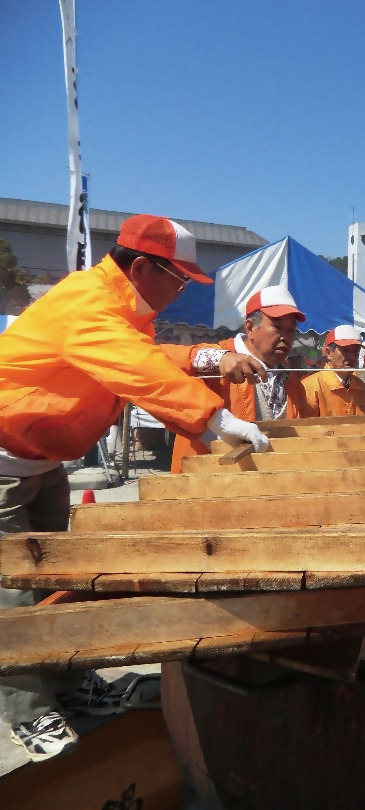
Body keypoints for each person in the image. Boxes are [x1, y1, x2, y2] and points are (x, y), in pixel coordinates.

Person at [0, 214, 269, 761]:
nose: (179, 291)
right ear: (142, 267)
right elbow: (135, 368)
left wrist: (210, 356)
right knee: (15, 596)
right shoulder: (87, 303)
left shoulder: (119, 308)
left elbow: (148, 354)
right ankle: (27, 713)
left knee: (58, 584)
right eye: (177, 279)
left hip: (43, 463)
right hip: (5, 466)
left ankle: (71, 685)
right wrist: (218, 420)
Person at [169, 285, 307, 473]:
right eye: (277, 327)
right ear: (250, 327)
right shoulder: (215, 360)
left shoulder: (293, 383)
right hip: (205, 481)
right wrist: (217, 359)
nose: (285, 337)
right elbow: (157, 362)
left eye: (291, 330)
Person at [295, 325, 365, 417]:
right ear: (329, 353)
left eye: (355, 351)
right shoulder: (310, 387)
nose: (352, 357)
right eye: (345, 351)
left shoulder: (361, 388)